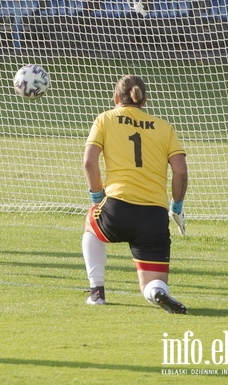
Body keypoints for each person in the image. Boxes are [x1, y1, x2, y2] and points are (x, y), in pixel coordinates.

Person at [81, 74, 189, 314]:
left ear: (115, 97)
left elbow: (89, 162)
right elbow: (180, 170)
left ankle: (96, 293)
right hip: (154, 216)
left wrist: (97, 197)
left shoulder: (105, 119)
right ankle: (158, 293)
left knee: (91, 225)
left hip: (117, 208)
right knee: (151, 284)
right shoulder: (164, 127)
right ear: (145, 100)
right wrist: (177, 206)